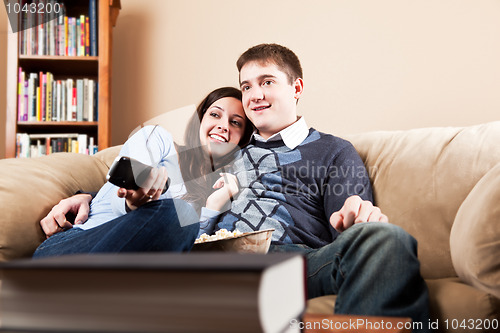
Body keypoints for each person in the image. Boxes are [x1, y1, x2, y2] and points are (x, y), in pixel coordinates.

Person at [204, 44, 430, 331]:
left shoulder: (334, 150)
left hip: (290, 261)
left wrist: (355, 217)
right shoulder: (229, 151)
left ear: (296, 88)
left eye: (267, 82)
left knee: (387, 239)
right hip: (217, 257)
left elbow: (348, 223)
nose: (254, 95)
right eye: (246, 87)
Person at [33, 87, 253, 257]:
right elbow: (124, 183)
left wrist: (212, 208)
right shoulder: (159, 140)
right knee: (181, 213)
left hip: (136, 264)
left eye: (235, 122)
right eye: (215, 115)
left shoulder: (224, 188)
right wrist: (132, 199)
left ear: (242, 139)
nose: (224, 126)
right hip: (73, 248)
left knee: (182, 220)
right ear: (199, 121)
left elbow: (189, 250)